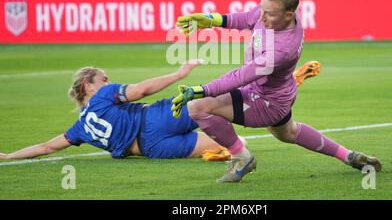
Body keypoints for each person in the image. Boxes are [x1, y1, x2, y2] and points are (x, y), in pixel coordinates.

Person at [173, 0, 382, 183]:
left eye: (268, 13)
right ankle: (350, 156)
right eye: (262, 9)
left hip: (266, 101)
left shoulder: (282, 49)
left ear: (288, 15)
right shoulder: (274, 10)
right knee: (289, 133)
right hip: (277, 94)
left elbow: (242, 76)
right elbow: (247, 18)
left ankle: (241, 158)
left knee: (197, 107)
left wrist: (200, 90)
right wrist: (212, 20)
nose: (261, 16)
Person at [0, 60, 321, 162]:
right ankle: (283, 85)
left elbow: (45, 147)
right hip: (155, 119)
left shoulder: (79, 129)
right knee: (219, 102)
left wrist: (7, 157)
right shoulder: (103, 96)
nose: (108, 80)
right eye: (103, 78)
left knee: (237, 145)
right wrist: (179, 75)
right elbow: (141, 90)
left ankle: (230, 150)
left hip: (151, 149)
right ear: (88, 85)